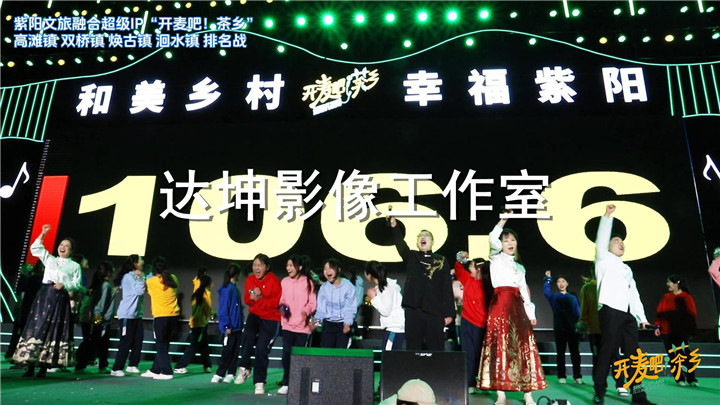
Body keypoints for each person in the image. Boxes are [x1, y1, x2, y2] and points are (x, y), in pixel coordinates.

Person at [477, 212, 546, 405]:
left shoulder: (520, 267)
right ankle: (501, 393)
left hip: (518, 309)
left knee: (523, 348)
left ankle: (527, 394)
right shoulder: (496, 258)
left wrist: (530, 313)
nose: (510, 243)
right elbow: (493, 238)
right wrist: (503, 220)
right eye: (506, 240)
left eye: (512, 240)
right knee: (500, 347)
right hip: (500, 306)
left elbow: (524, 292)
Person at [592, 204, 656, 405]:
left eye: (622, 242)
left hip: (628, 315)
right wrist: (607, 216)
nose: (621, 244)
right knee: (607, 351)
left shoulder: (627, 268)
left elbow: (634, 294)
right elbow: (602, 239)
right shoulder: (603, 259)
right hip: (610, 310)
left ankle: (639, 396)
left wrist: (642, 318)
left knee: (634, 355)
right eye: (616, 241)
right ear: (608, 246)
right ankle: (599, 391)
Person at [13, 224, 82, 378]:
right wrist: (43, 233)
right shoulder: (50, 259)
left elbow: (77, 284)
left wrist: (65, 284)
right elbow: (35, 248)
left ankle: (44, 366)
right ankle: (30, 366)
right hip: (44, 297)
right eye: (61, 244)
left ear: (72, 250)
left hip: (60, 299)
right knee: (37, 327)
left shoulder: (74, 266)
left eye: (67, 246)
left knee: (53, 330)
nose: (63, 247)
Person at [388, 217, 454, 351]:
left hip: (435, 311)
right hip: (414, 309)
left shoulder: (441, 260)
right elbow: (400, 244)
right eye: (420, 236)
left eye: (427, 236)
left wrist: (449, 313)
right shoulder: (412, 256)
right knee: (413, 347)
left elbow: (446, 287)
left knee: (435, 348)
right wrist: (394, 226)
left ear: (432, 242)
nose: (423, 237)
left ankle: (436, 366)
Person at [233, 254, 281, 395]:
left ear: (267, 267)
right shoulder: (250, 280)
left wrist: (258, 298)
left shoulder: (274, 281)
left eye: (260, 265)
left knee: (261, 349)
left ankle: (259, 382)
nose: (257, 268)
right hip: (255, 315)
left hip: (271, 318)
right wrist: (253, 297)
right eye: (255, 265)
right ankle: (245, 368)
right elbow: (247, 299)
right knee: (247, 335)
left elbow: (275, 303)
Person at [578, 272, 627, 397]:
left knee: (616, 357)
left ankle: (620, 385)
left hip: (611, 329)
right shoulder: (587, 288)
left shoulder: (612, 284)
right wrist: (583, 323)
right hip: (595, 329)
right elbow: (584, 308)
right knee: (598, 359)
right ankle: (599, 386)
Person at [277, 254, 317, 395]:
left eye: (291, 265)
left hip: (302, 327)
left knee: (300, 357)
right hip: (287, 325)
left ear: (299, 267)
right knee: (286, 355)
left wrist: (306, 311)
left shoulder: (308, 282)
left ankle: (299, 384)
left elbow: (312, 303)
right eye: (287, 265)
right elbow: (282, 299)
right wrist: (282, 307)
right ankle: (287, 383)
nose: (288, 268)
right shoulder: (284, 282)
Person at [653, 274, 698, 387]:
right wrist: (657, 326)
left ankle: (691, 379)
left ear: (676, 284)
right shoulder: (666, 297)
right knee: (673, 357)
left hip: (681, 332)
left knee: (685, 355)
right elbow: (659, 313)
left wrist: (690, 330)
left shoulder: (686, 297)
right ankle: (679, 379)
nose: (667, 284)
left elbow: (692, 314)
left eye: (669, 282)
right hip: (667, 332)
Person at [454, 252, 489, 394]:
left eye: (472, 266)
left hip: (482, 324)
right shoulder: (467, 279)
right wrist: (460, 258)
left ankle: (485, 383)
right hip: (467, 322)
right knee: (468, 353)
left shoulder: (488, 285)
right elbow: (458, 268)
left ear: (479, 269)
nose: (469, 268)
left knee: (482, 355)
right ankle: (470, 383)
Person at [141, 256, 179, 380]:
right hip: (173, 316)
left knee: (161, 344)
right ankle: (155, 369)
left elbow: (146, 289)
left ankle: (167, 372)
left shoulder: (151, 281)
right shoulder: (173, 278)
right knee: (164, 344)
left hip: (161, 316)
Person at [75, 261, 116, 373]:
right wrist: (99, 320)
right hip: (101, 319)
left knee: (98, 342)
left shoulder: (101, 284)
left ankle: (94, 364)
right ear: (108, 272)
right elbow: (101, 304)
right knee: (98, 342)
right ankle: (88, 364)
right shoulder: (105, 285)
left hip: (100, 318)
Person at [543, 270, 582, 385]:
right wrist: (547, 279)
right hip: (559, 329)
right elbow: (546, 293)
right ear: (556, 284)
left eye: (563, 281)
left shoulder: (572, 297)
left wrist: (580, 326)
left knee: (575, 354)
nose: (561, 284)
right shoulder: (554, 297)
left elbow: (577, 313)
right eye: (559, 282)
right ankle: (561, 376)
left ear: (567, 283)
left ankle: (577, 376)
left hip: (572, 329)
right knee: (560, 353)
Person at [110, 254, 146, 376]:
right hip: (126, 314)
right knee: (126, 341)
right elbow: (139, 291)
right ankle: (116, 368)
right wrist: (141, 278)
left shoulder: (139, 275)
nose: (143, 261)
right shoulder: (128, 277)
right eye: (141, 260)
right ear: (135, 263)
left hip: (137, 315)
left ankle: (132, 365)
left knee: (138, 340)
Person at [174, 272, 214, 374]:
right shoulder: (206, 294)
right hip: (201, 324)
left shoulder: (197, 293)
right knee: (194, 346)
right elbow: (208, 309)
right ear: (208, 283)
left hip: (196, 323)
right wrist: (213, 315)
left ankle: (207, 365)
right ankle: (180, 366)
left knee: (204, 345)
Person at [5, 262, 44, 364]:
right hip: (31, 308)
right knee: (25, 332)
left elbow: (21, 293)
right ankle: (20, 355)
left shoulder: (30, 278)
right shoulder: (39, 280)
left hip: (26, 307)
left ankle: (14, 354)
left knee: (20, 331)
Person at [210, 263, 243, 384]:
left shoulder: (234, 289)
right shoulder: (228, 289)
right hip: (230, 327)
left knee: (234, 352)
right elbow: (223, 309)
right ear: (237, 274)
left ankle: (230, 374)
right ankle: (219, 374)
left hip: (237, 326)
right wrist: (226, 325)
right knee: (228, 351)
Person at [314, 258, 357, 349]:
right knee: (326, 352)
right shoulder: (324, 288)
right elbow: (320, 310)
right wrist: (316, 323)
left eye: (331, 268)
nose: (327, 271)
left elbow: (350, 308)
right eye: (325, 269)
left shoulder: (348, 286)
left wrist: (347, 324)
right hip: (328, 325)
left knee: (341, 354)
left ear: (339, 270)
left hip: (343, 324)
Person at [364, 260, 405, 351]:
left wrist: (373, 298)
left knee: (388, 356)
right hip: (395, 328)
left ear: (369, 275)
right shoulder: (388, 285)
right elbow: (398, 288)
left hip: (394, 329)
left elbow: (386, 311)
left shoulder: (386, 287)